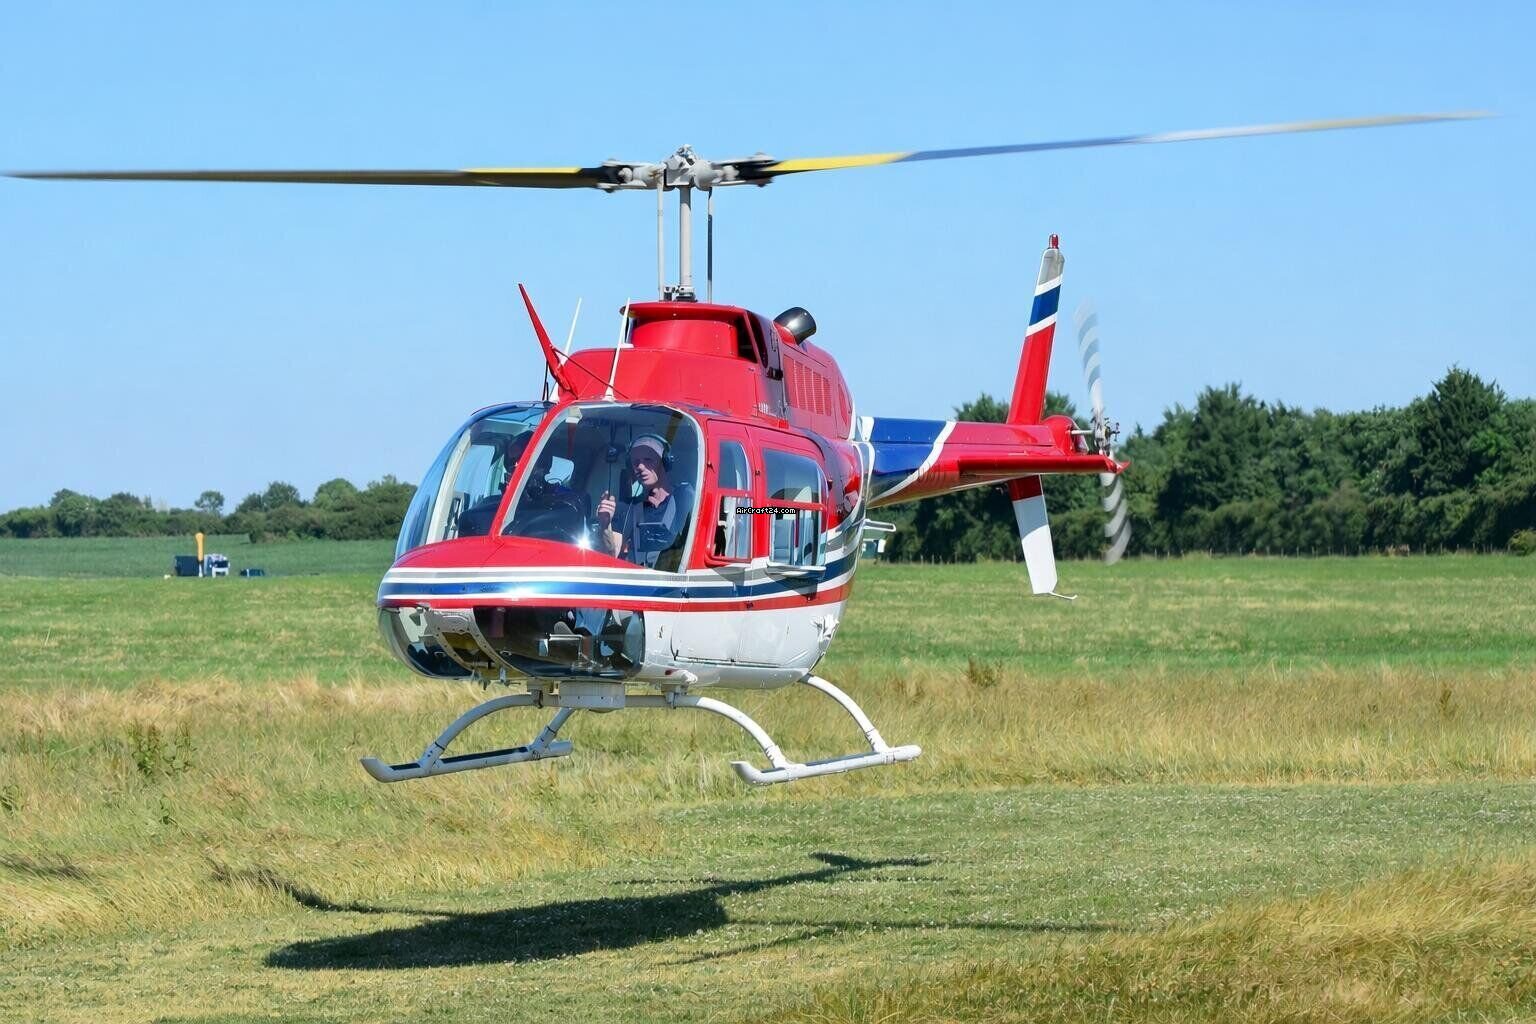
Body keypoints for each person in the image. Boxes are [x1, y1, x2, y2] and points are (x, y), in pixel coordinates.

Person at [596, 435, 691, 568]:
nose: (640, 466)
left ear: (665, 462)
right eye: (635, 462)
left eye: (648, 459)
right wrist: (605, 526)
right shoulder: (628, 510)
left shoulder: (685, 498)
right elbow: (612, 555)